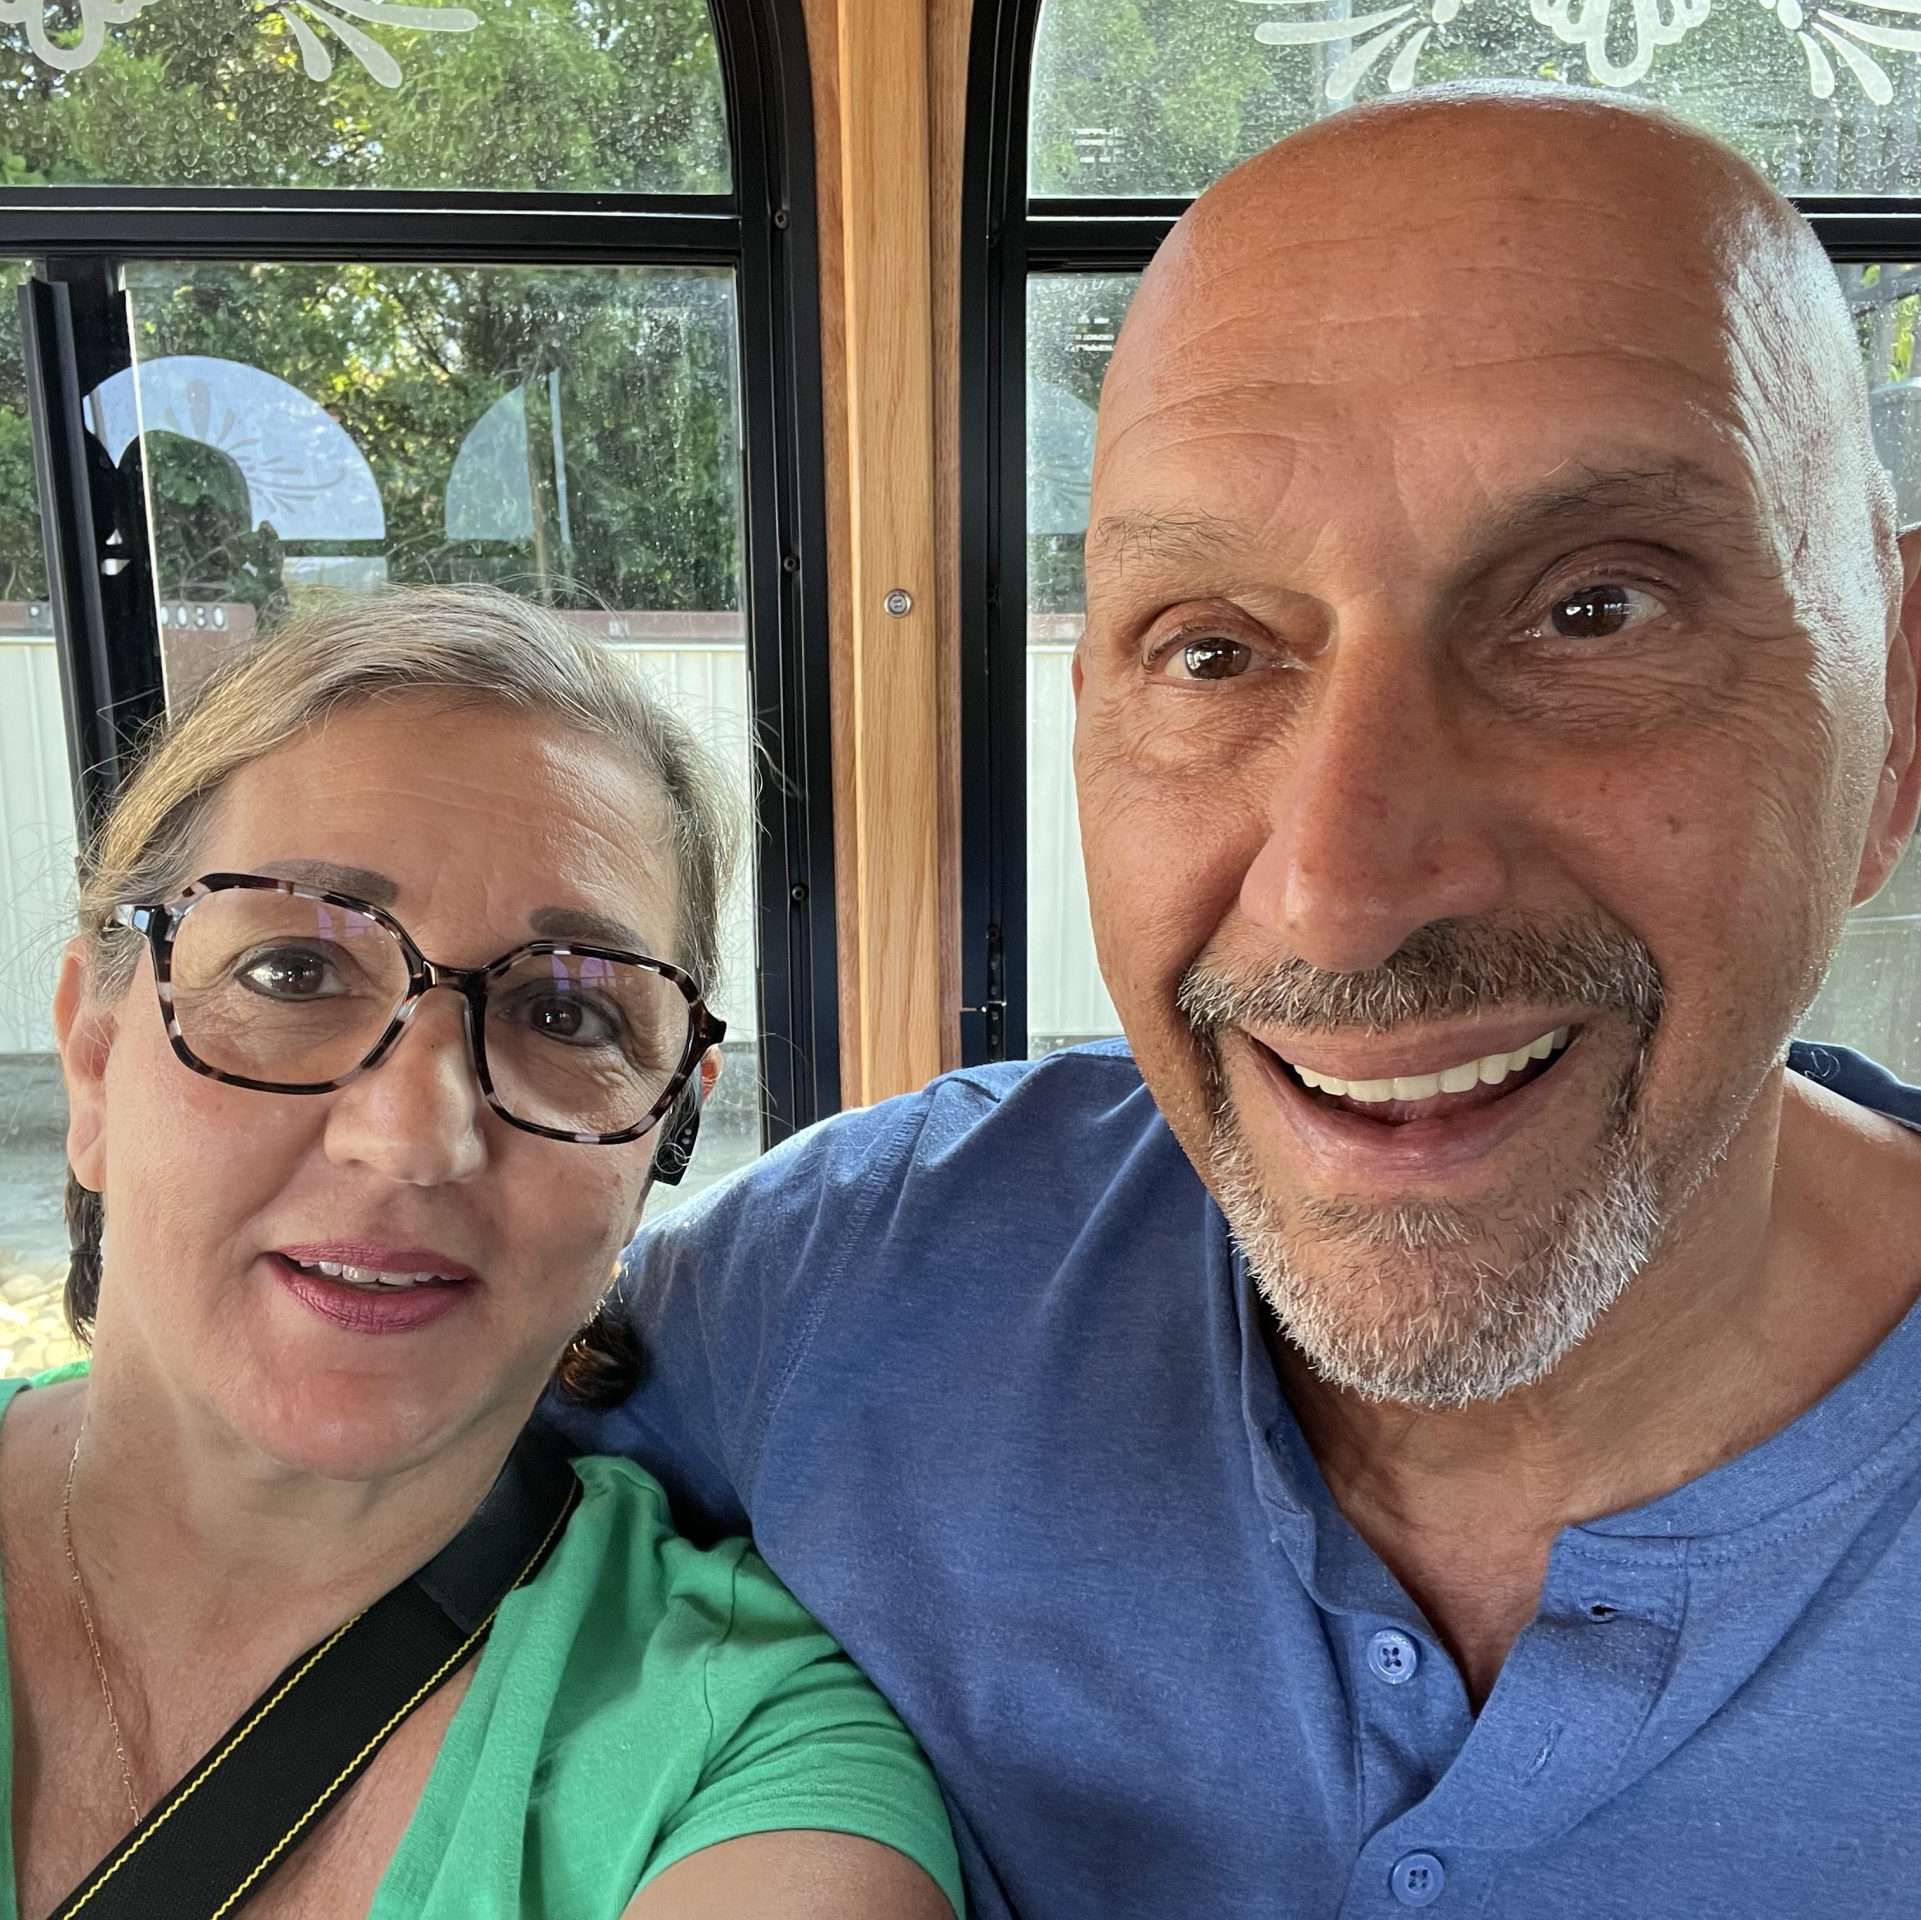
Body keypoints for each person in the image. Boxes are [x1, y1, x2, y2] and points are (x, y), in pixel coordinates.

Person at [545, 87, 1921, 1920]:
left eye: (1593, 611)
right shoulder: (839, 1295)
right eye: (1210, 650)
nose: (1340, 889)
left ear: (1895, 711)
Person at [6, 586, 962, 1919]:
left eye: (565, 1015)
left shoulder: (743, 1757)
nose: (413, 1137)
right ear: (95, 1056)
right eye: (293, 973)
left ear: (662, 1135)